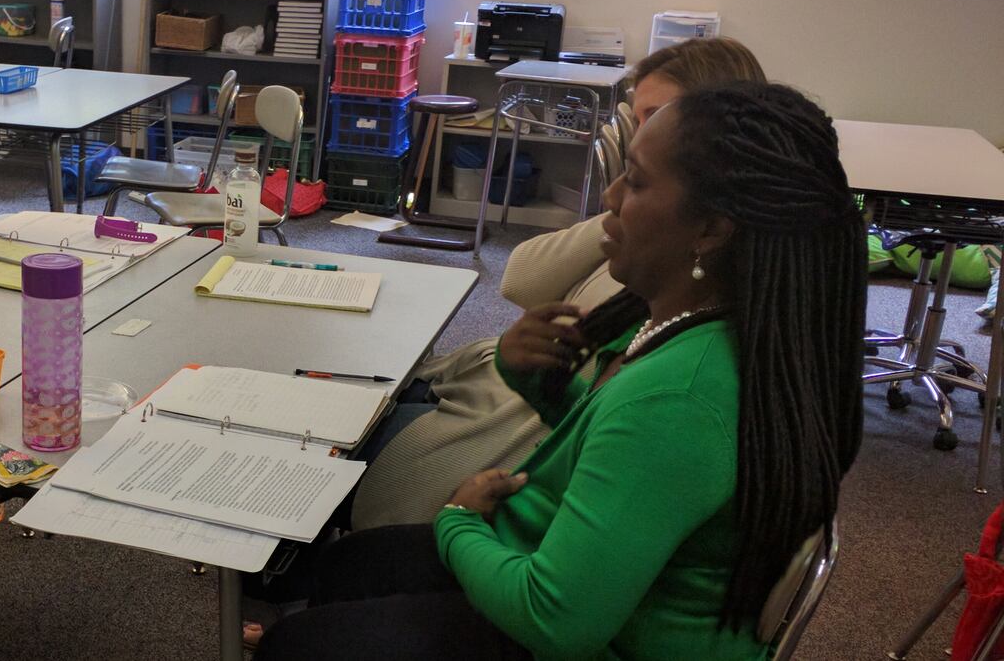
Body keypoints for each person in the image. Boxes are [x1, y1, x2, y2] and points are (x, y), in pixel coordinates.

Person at [257, 81, 866, 661]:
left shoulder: (680, 398)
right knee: (348, 566)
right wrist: (536, 383)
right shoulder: (705, 328)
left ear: (710, 229)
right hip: (577, 576)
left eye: (637, 181)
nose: (611, 197)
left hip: (595, 641)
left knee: (297, 645)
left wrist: (459, 521)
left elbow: (555, 621)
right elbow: (626, 460)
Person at [350, 37, 766, 531]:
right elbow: (523, 279)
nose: (639, 140)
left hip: (499, 447)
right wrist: (628, 206)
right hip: (498, 391)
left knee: (334, 440)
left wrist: (634, 204)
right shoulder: (653, 247)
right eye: (637, 120)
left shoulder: (676, 289)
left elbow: (587, 445)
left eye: (657, 119)